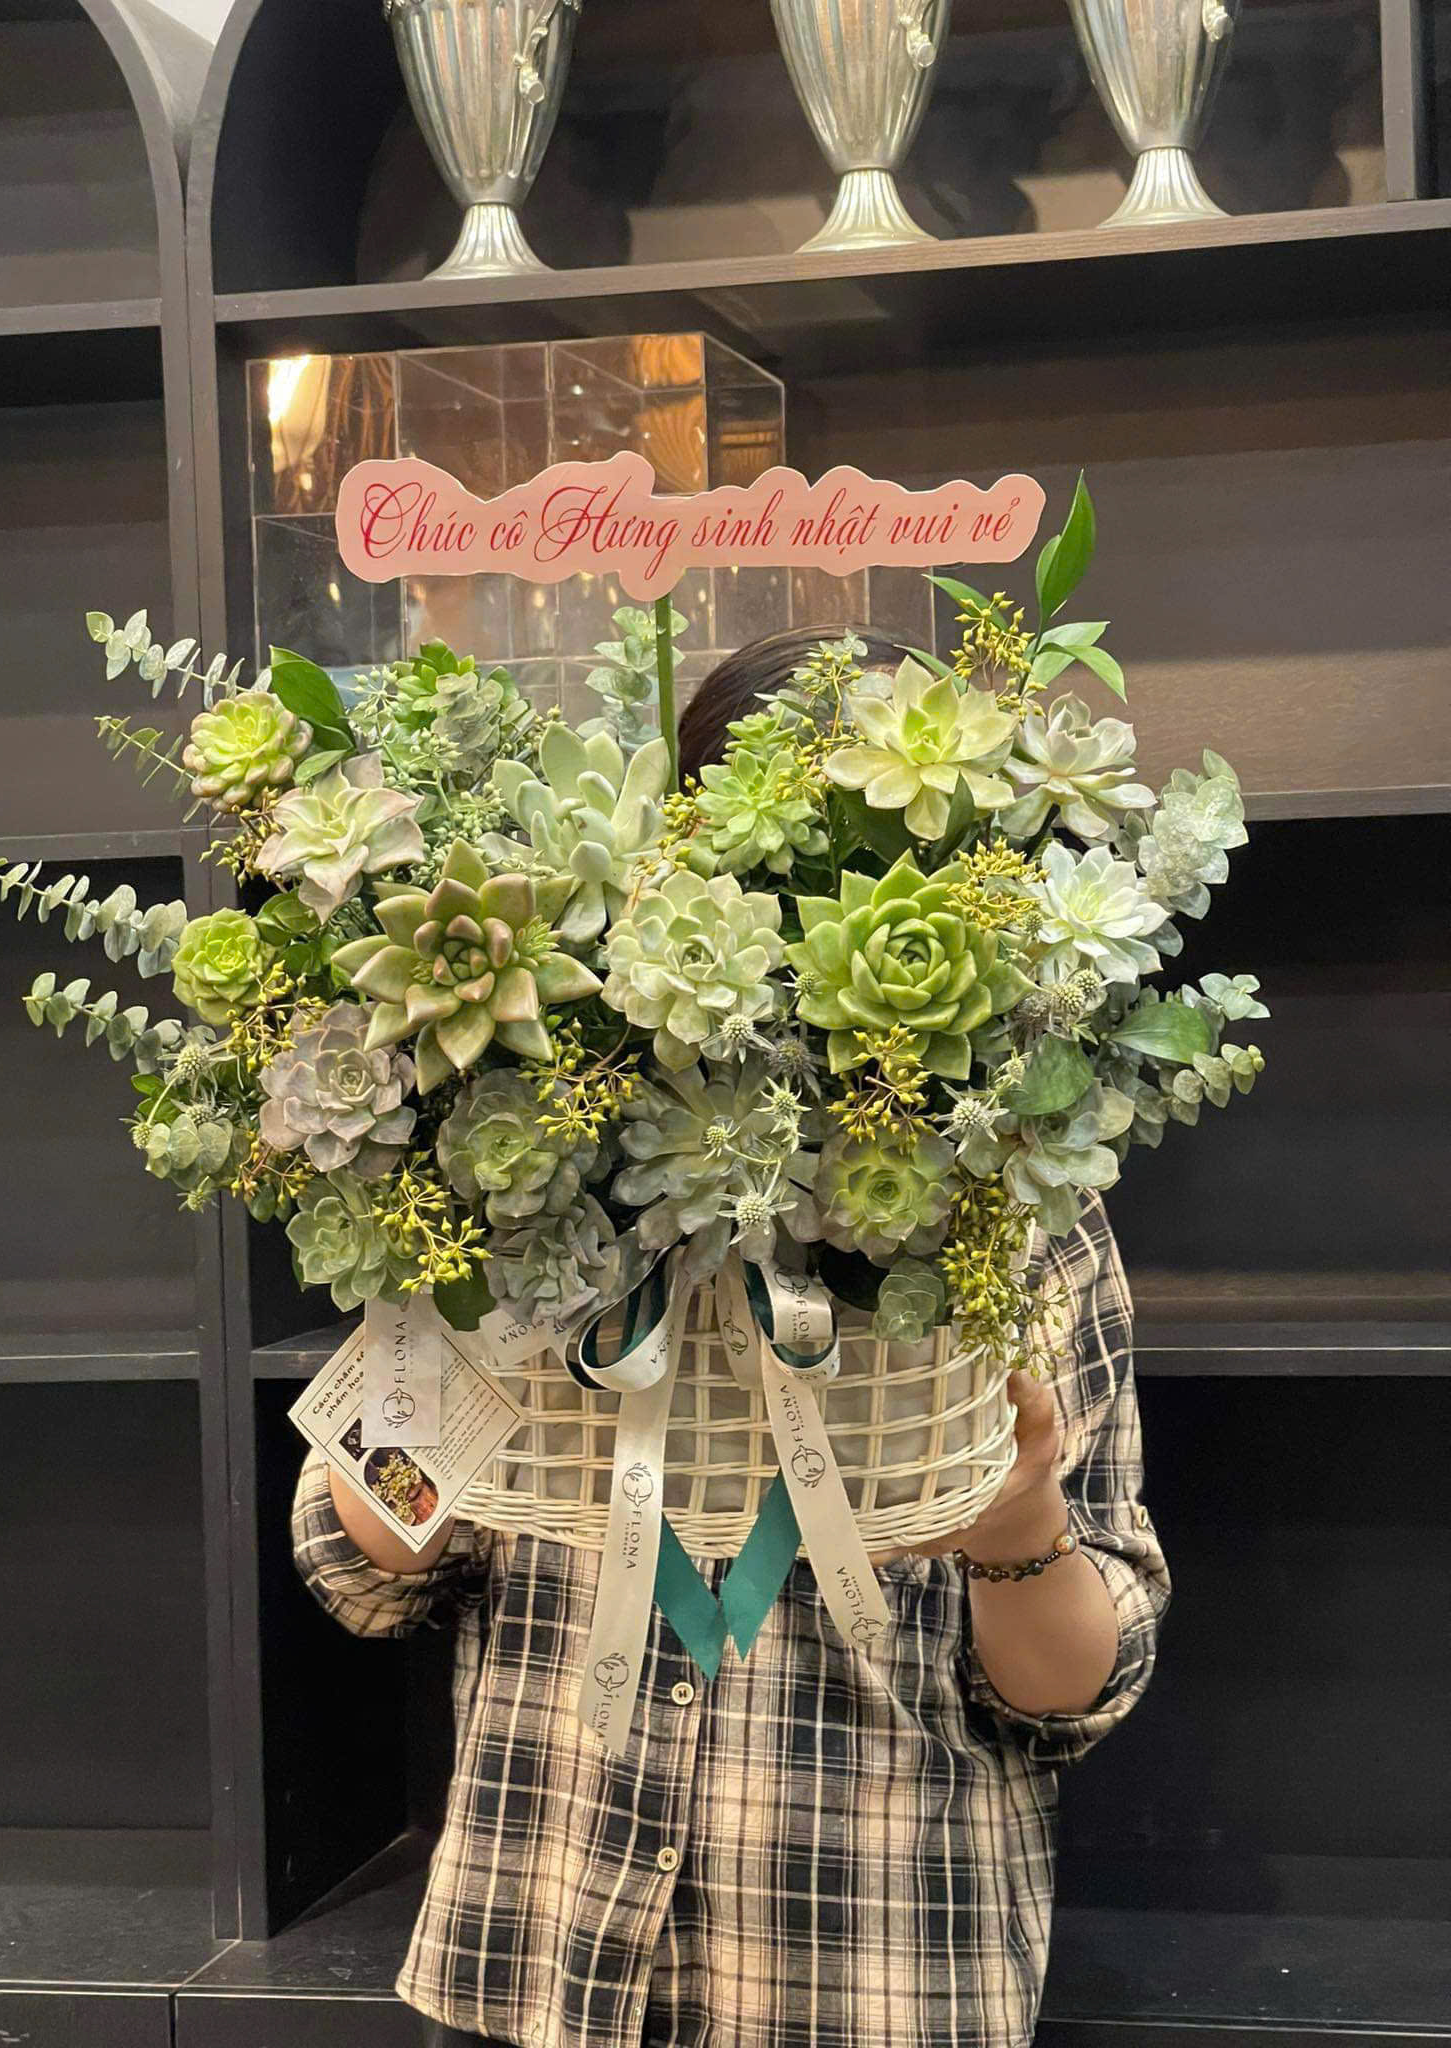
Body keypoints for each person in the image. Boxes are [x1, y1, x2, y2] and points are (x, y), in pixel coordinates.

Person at [290, 625, 1171, 2048]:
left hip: (874, 1967)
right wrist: (469, 1355)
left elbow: (1078, 1692)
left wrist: (1017, 1529)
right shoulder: (530, 1162)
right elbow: (356, 1568)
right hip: (543, 1950)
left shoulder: (1022, 1209)